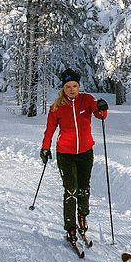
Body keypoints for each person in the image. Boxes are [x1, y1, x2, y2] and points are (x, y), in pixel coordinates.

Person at [40, 68, 108, 246]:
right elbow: (50, 130)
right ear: (63, 88)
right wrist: (45, 148)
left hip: (86, 152)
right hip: (66, 154)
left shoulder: (87, 100)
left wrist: (102, 108)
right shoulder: (57, 107)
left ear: (79, 86)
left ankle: (82, 218)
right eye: (68, 86)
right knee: (70, 189)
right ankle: (70, 226)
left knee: (84, 188)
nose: (72, 89)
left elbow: (100, 115)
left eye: (75, 86)